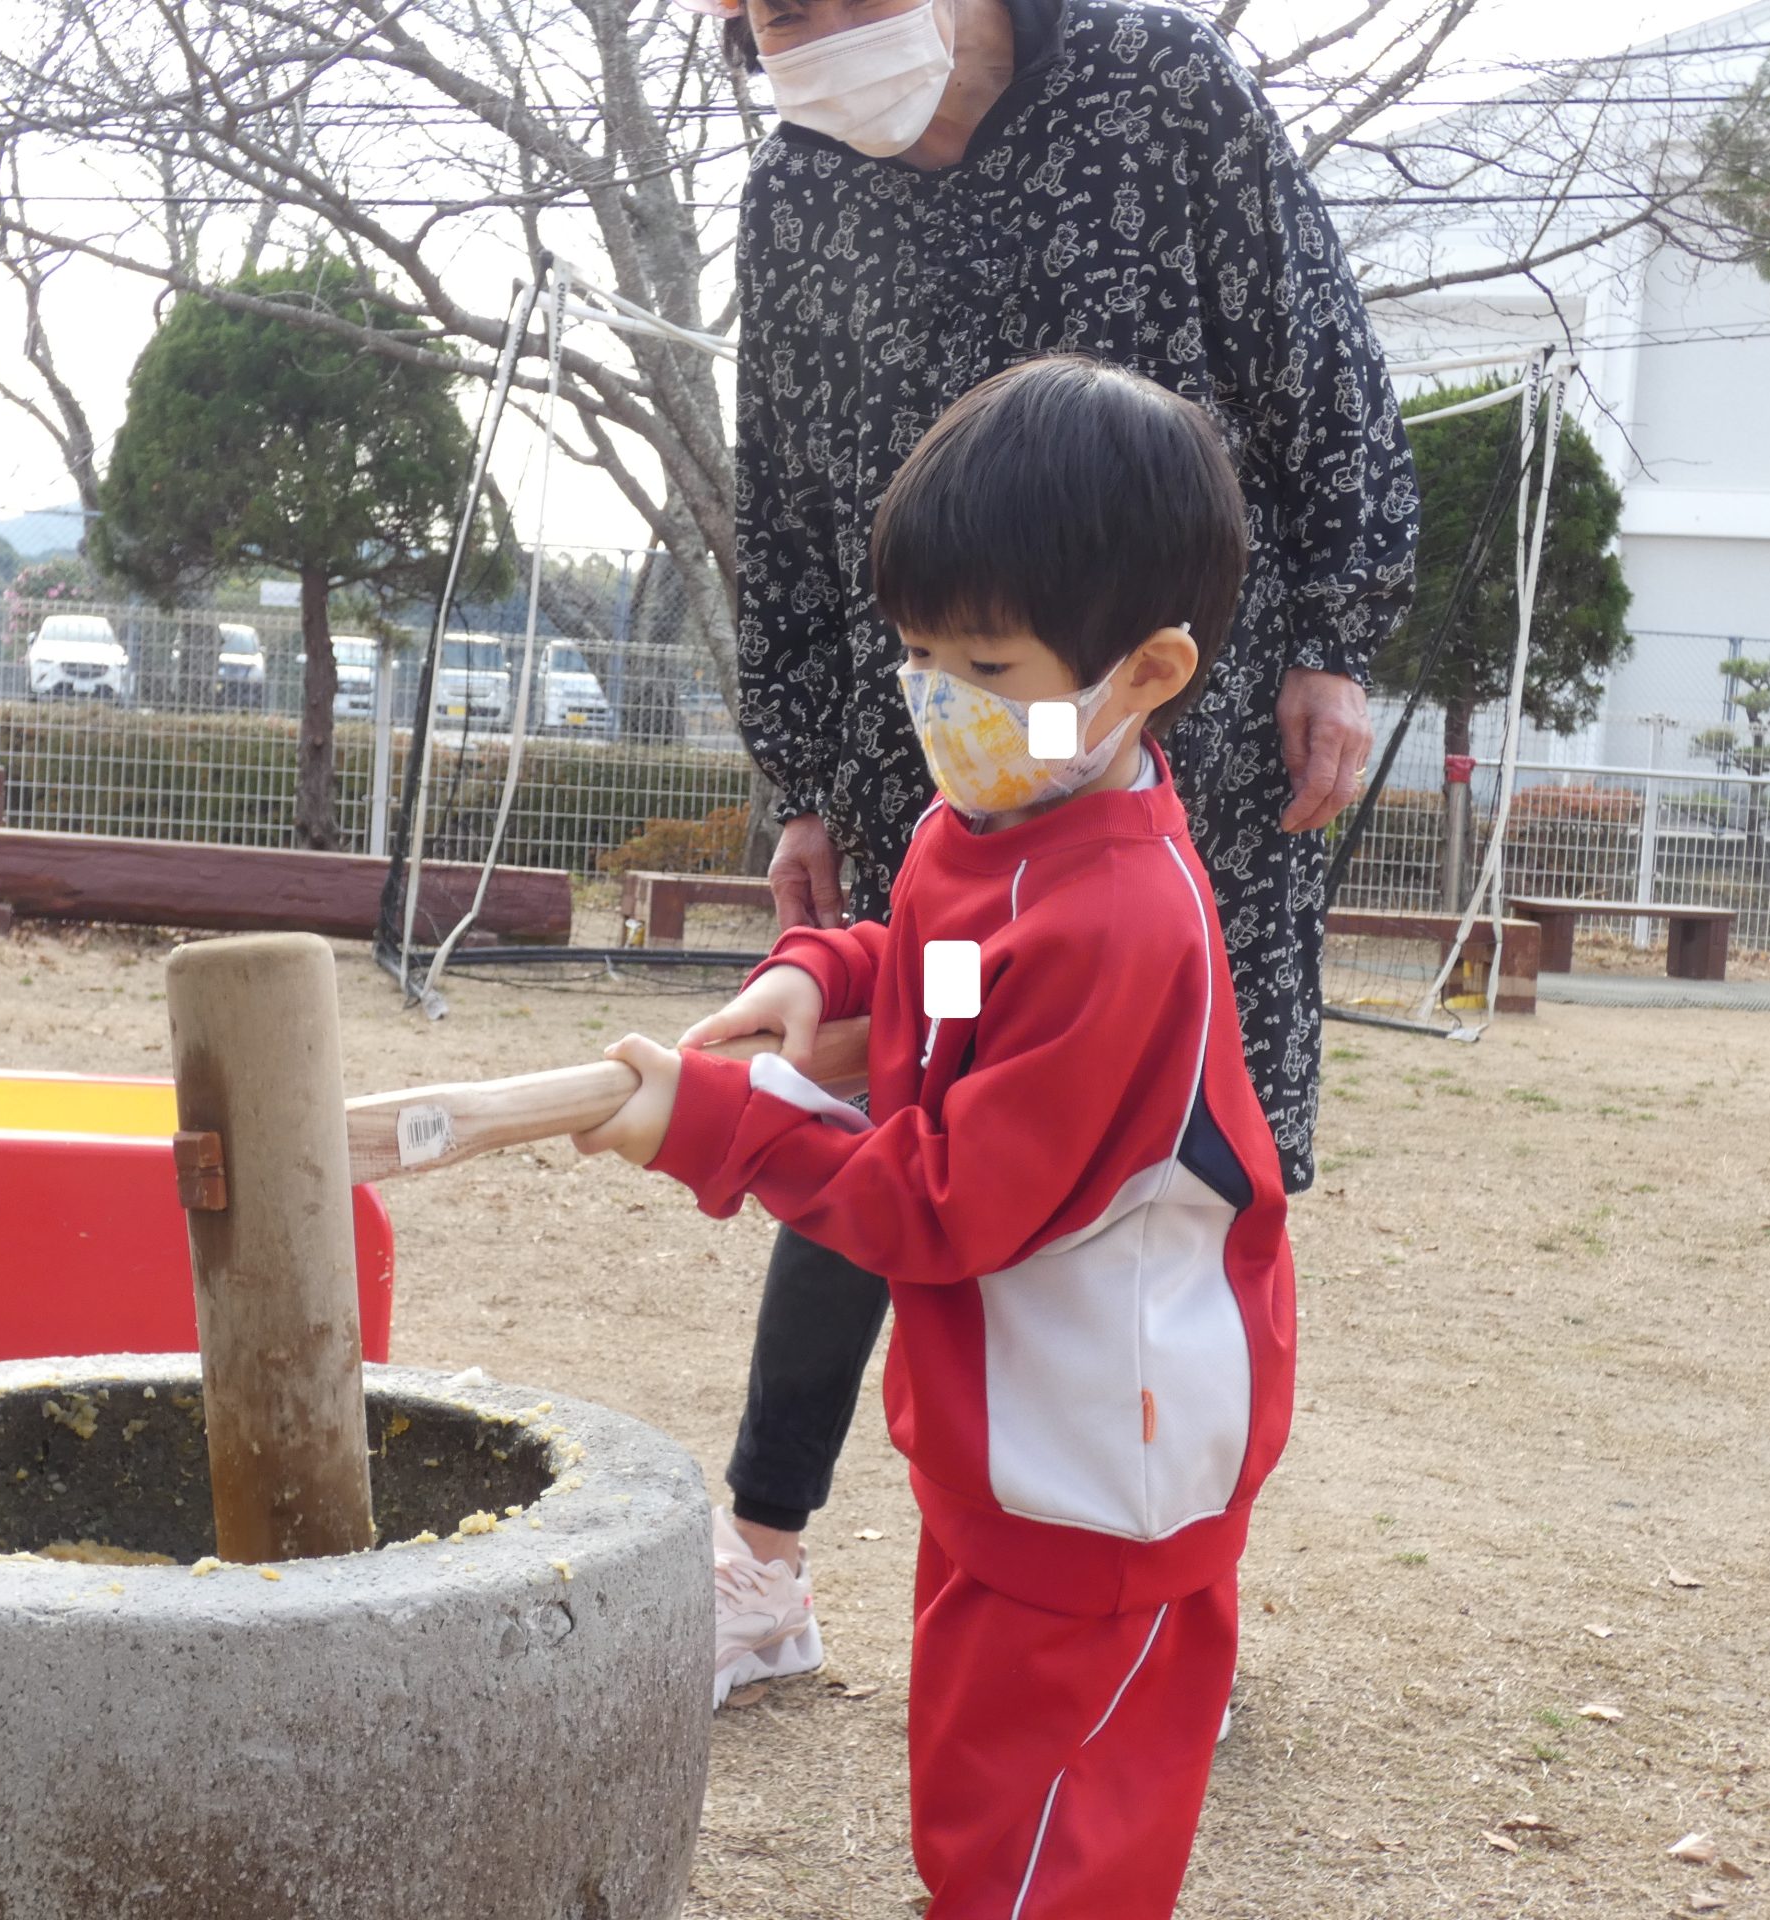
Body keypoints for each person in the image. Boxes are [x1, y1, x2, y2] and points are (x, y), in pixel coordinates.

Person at [691, 0, 1417, 1690]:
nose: (791, 43)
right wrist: (807, 771)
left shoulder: (1155, 87)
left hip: (1181, 745)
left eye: (814, 5)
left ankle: (1154, 1588)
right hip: (933, 753)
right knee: (899, 1104)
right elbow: (786, 498)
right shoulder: (797, 187)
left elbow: (1316, 356)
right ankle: (765, 1564)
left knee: (1165, 1172)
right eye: (757, 22)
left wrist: (1335, 641)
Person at [578, 356, 1293, 1915]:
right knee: (982, 1792)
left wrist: (723, 1129)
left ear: (1148, 673)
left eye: (982, 658)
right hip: (1007, 1437)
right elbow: (932, 973)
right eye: (916, 651)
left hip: (1110, 1460)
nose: (935, 698)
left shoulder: (1119, 921)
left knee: (1051, 1833)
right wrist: (809, 976)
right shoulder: (988, 826)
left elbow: (948, 1202)